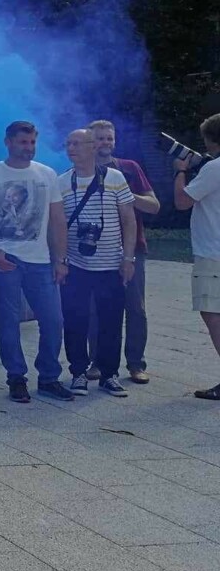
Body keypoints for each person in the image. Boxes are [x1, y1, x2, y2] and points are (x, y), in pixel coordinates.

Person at [0, 121, 73, 403]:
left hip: (40, 261)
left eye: (31, 142)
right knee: (8, 321)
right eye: (22, 142)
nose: (28, 148)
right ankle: (16, 377)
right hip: (6, 258)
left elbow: (57, 219)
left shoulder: (47, 174)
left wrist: (60, 259)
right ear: (8, 142)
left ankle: (49, 377)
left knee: (53, 320)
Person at [56, 129, 137, 397]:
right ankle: (78, 372)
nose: (71, 148)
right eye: (68, 143)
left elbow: (128, 220)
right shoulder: (61, 182)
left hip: (111, 264)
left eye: (77, 143)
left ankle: (109, 374)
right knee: (75, 319)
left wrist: (128, 258)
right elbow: (57, 226)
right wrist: (61, 260)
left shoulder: (115, 178)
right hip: (76, 265)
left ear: (92, 147)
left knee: (111, 321)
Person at [89, 119, 160, 382]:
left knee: (135, 308)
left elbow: (154, 206)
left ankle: (135, 364)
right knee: (97, 308)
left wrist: (127, 193)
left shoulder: (130, 168)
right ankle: (97, 361)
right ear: (90, 142)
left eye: (109, 138)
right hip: (95, 252)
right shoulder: (82, 171)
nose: (105, 143)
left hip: (133, 248)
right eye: (99, 138)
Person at [174, 114, 220, 400]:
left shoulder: (214, 168)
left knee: (213, 315)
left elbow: (182, 202)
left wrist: (180, 171)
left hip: (213, 252)